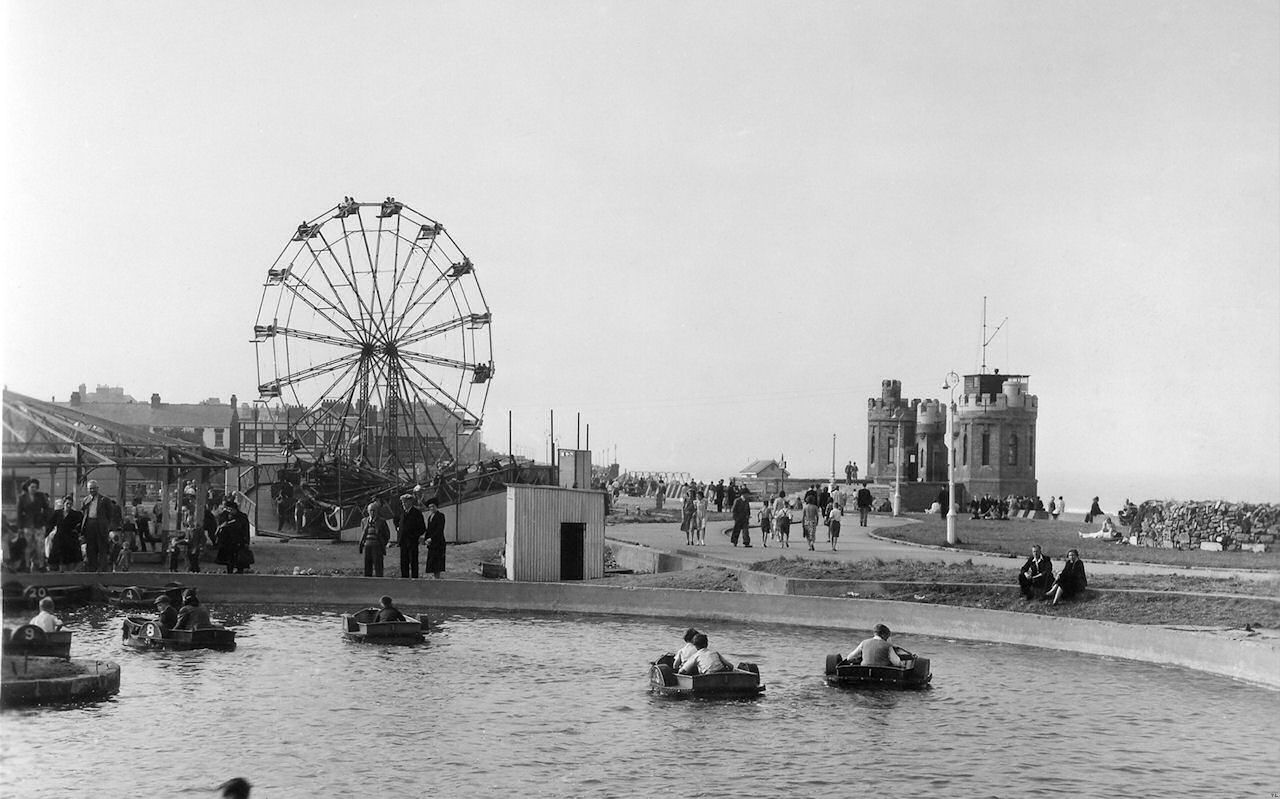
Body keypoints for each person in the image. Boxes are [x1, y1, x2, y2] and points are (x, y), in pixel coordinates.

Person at [80, 480, 118, 571]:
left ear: (97, 488)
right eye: (90, 489)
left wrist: (107, 526)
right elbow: (83, 513)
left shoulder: (104, 500)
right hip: (89, 526)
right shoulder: (86, 500)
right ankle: (92, 569)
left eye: (94, 488)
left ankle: (102, 569)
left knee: (102, 548)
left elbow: (111, 514)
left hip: (100, 527)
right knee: (90, 549)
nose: (92, 490)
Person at [17, 478, 51, 572]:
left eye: (36, 487)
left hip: (39, 525)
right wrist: (20, 527)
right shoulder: (22, 498)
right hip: (27, 525)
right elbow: (19, 513)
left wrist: (45, 520)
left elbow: (47, 509)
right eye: (32, 487)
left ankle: (41, 565)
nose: (34, 489)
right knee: (28, 546)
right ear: (28, 487)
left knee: (40, 546)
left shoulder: (40, 496)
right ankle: (27, 566)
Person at [46, 494, 83, 572]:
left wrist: (77, 531)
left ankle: (70, 570)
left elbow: (81, 525)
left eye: (70, 504)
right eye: (67, 504)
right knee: (56, 554)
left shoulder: (76, 514)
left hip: (70, 537)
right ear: (64, 504)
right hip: (59, 536)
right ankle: (55, 570)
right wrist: (46, 533)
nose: (68, 506)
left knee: (70, 555)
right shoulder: (57, 513)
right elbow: (50, 524)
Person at [215, 497, 252, 574]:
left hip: (239, 541)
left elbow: (246, 530)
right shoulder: (224, 516)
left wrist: (246, 542)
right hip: (227, 541)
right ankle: (230, 570)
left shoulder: (242, 517)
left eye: (230, 509)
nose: (229, 511)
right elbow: (220, 526)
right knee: (229, 558)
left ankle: (240, 570)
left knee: (240, 558)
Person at [398, 494, 425, 578]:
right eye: (402, 503)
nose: (403, 504)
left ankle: (414, 578)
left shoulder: (416, 513)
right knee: (404, 562)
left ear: (410, 502)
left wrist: (415, 536)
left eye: (405, 502)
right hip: (403, 541)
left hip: (412, 542)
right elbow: (397, 521)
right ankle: (404, 578)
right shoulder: (402, 513)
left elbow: (422, 528)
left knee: (413, 561)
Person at [359, 501, 389, 577]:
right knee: (367, 565)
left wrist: (382, 543)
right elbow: (363, 533)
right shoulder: (364, 521)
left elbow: (386, 534)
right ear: (368, 511)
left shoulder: (381, 521)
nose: (372, 512)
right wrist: (362, 544)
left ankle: (379, 581)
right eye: (370, 510)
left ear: (377, 511)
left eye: (374, 510)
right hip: (367, 546)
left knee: (378, 565)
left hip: (377, 546)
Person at [423, 497, 447, 578]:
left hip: (438, 542)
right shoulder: (430, 517)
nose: (431, 508)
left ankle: (437, 576)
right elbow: (429, 529)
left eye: (433, 506)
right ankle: (434, 576)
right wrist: (426, 539)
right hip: (431, 544)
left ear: (436, 507)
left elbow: (439, 529)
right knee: (432, 561)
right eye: (430, 507)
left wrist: (431, 538)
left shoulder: (440, 516)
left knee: (438, 561)